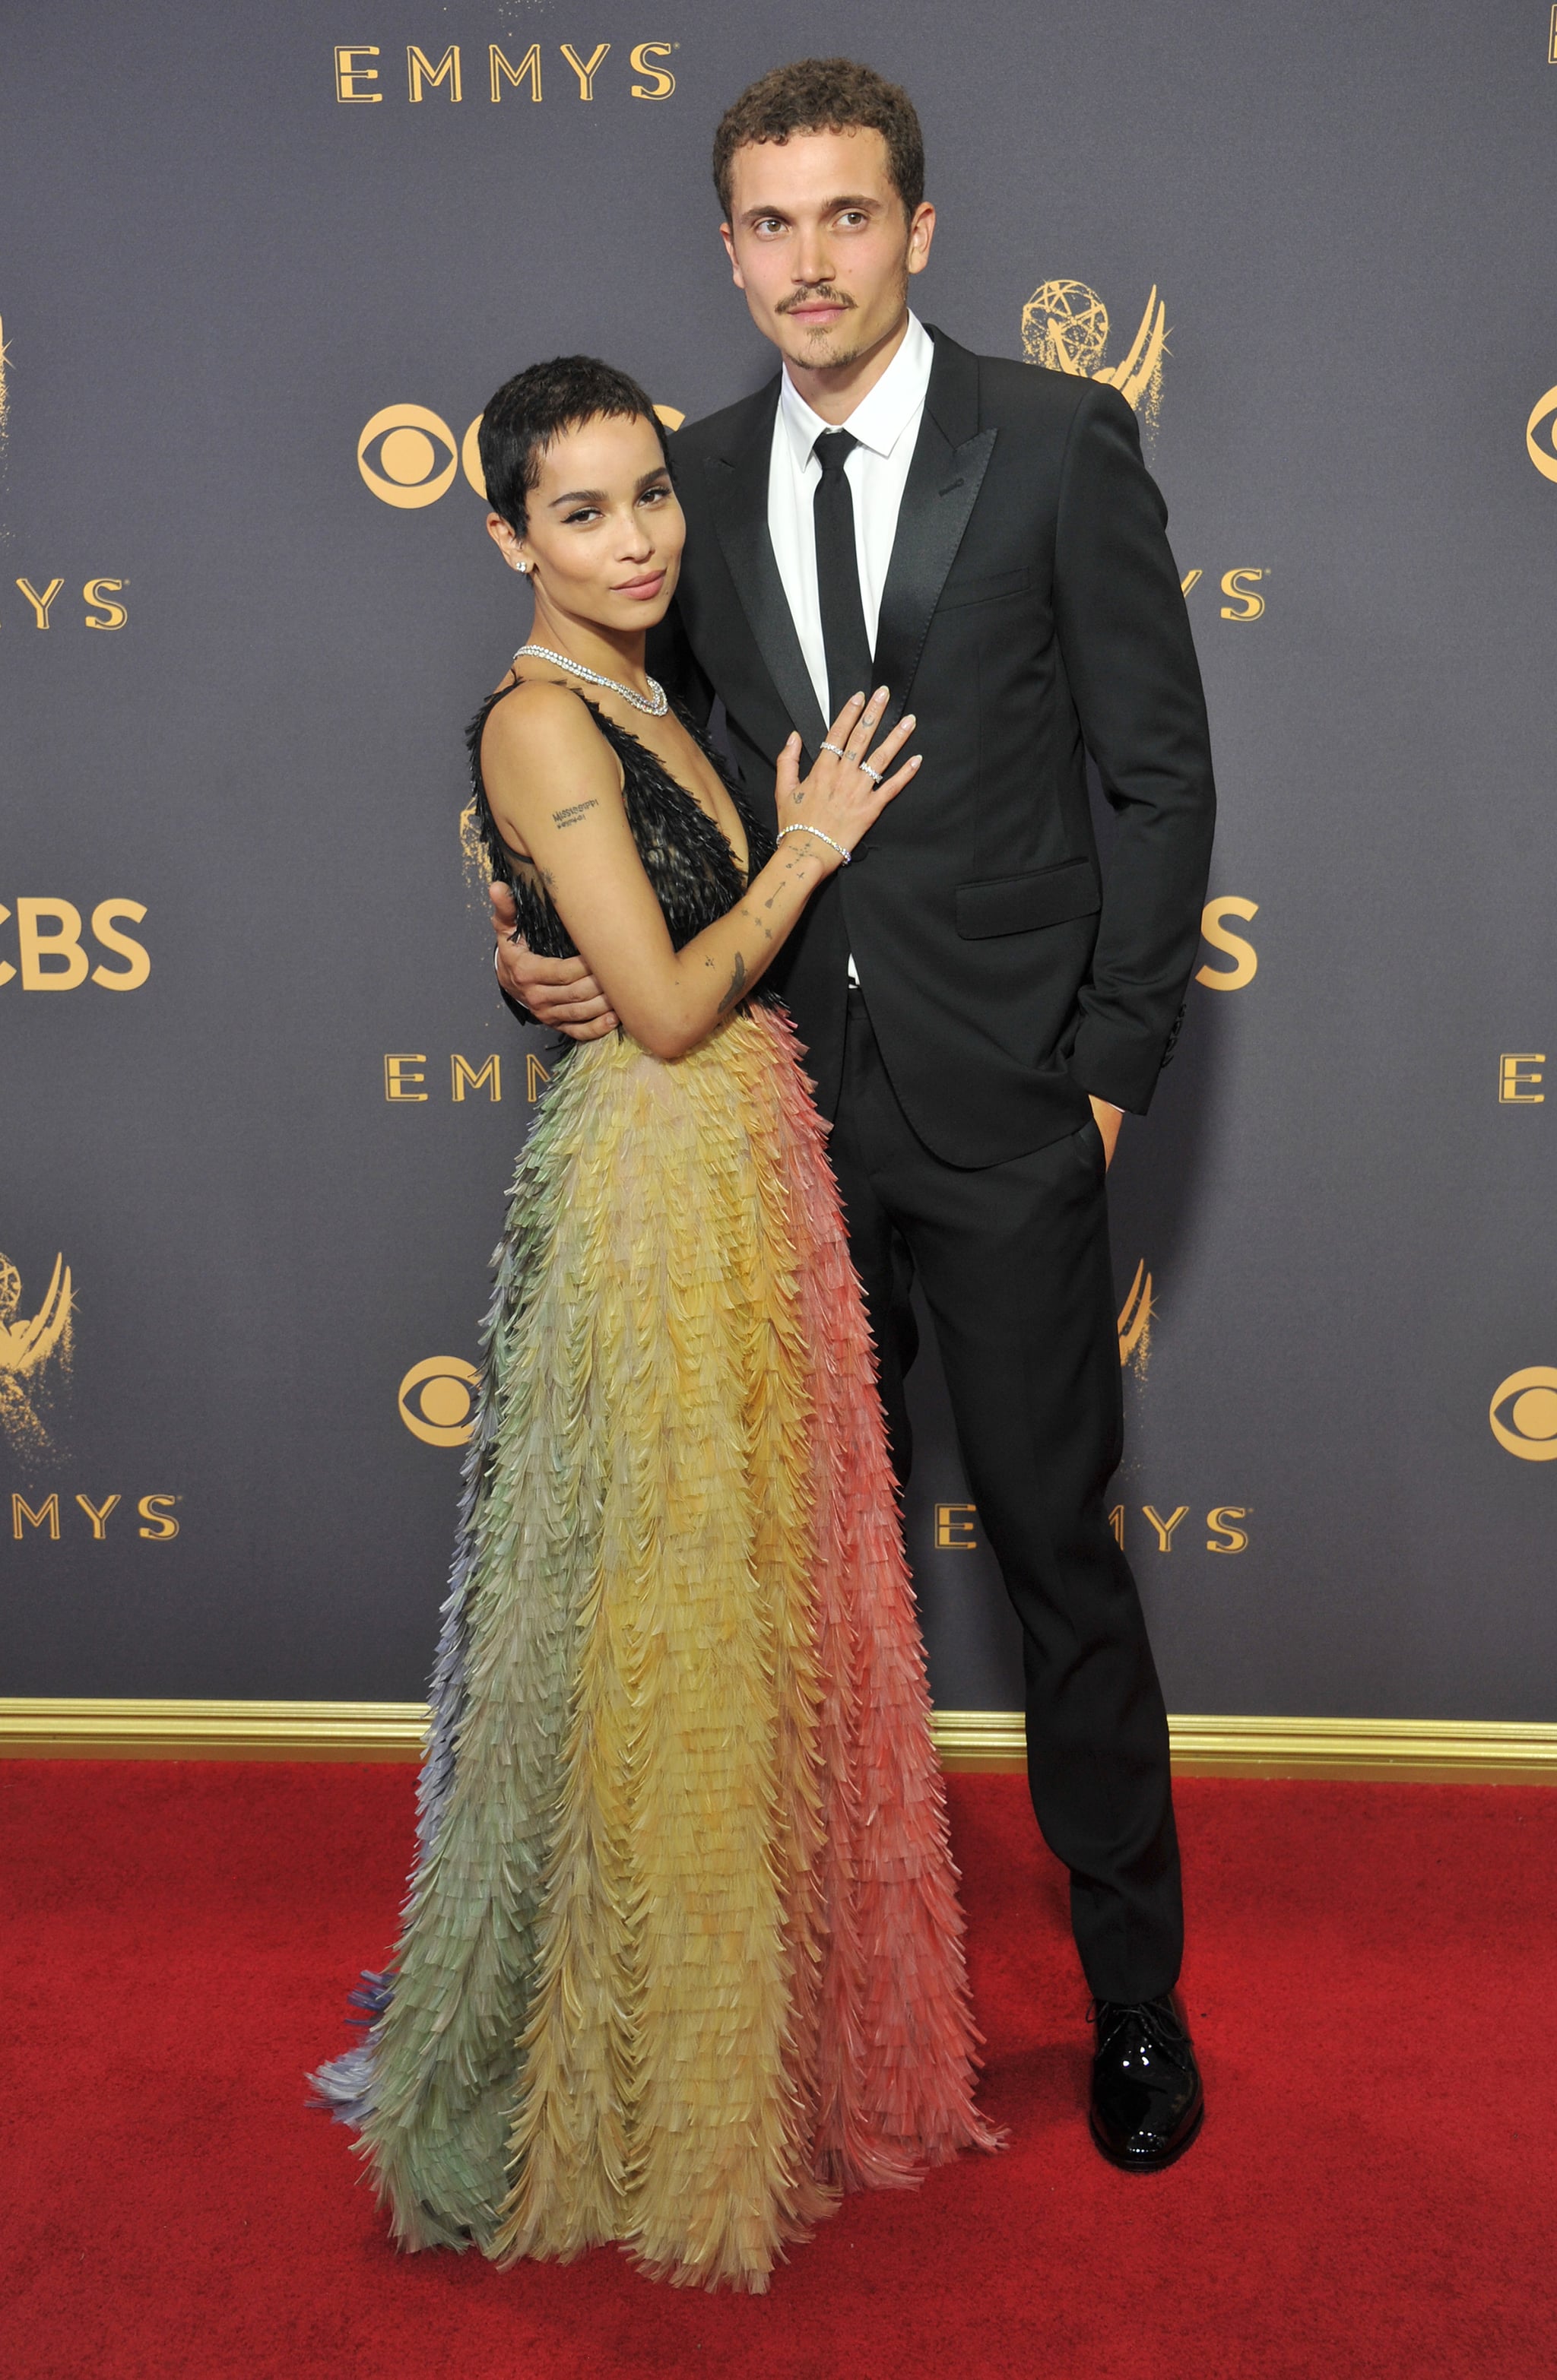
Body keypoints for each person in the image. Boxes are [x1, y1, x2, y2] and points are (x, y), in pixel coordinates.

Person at [495, 60, 1217, 2172]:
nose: (810, 262)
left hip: (1010, 1119)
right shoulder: (682, 483)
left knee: (1064, 1562)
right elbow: (634, 775)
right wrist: (532, 947)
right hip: (773, 1117)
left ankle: (1136, 1998)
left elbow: (1159, 781)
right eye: (769, 224)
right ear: (726, 248)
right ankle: (811, 2002)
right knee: (798, 1582)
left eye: (847, 217)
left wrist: (1105, 1078)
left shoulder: (1066, 444)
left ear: (919, 228)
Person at [312, 356, 998, 2293]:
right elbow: (675, 1005)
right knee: (663, 1639)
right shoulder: (541, 719)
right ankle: (629, 2089)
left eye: (649, 499)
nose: (634, 540)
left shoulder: (637, 688)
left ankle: (758, 2049)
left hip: (739, 1179)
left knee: (742, 1618)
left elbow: (627, 960)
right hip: (655, 1191)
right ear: (508, 535)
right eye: (584, 513)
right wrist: (808, 846)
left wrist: (578, 943)